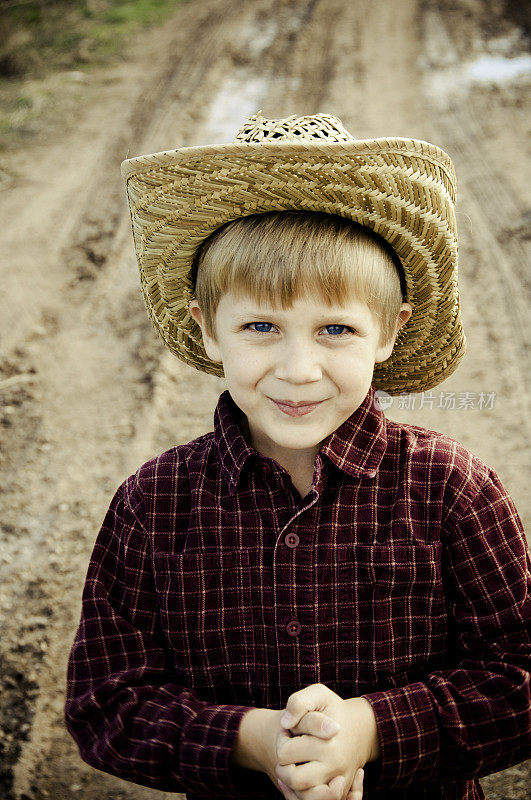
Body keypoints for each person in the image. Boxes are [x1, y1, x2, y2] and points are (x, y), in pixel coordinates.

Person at [65, 113, 530, 800]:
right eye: (260, 326)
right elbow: (106, 702)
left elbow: (517, 672)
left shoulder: (451, 488)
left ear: (389, 333)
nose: (298, 368)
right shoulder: (153, 502)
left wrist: (370, 730)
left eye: (335, 328)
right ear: (207, 328)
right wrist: (253, 741)